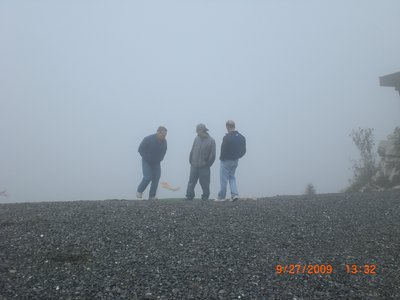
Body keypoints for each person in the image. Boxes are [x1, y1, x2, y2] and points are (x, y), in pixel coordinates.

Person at [215, 120, 246, 202]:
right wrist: (238, 156)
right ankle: (234, 194)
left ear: (227, 126)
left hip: (226, 161)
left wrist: (222, 158)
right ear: (234, 126)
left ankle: (221, 196)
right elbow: (244, 150)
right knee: (232, 177)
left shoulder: (226, 137)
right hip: (235, 160)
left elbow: (223, 150)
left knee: (223, 179)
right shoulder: (242, 137)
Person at [185, 123, 216, 200]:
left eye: (199, 130)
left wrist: (207, 164)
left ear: (203, 130)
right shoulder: (196, 139)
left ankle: (205, 197)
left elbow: (212, 155)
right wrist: (190, 160)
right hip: (194, 165)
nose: (197, 132)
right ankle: (189, 196)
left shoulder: (211, 141)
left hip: (204, 167)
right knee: (191, 182)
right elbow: (192, 150)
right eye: (197, 130)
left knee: (205, 183)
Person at [136, 126, 167, 200]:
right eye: (163, 135)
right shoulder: (148, 139)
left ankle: (152, 196)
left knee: (156, 178)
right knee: (148, 177)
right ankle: (139, 191)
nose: (164, 136)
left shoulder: (164, 141)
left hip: (156, 162)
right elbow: (140, 149)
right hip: (146, 161)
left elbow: (164, 150)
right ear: (158, 132)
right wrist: (146, 157)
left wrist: (160, 159)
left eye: (165, 135)